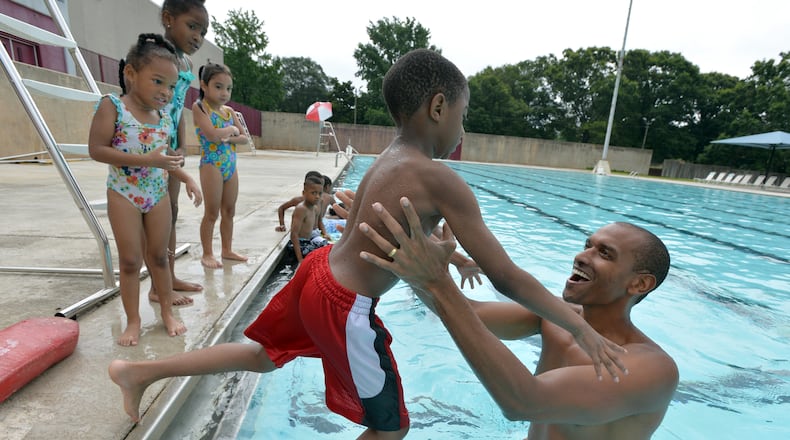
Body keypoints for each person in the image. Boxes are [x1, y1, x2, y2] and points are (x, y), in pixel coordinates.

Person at [108, 49, 623, 437]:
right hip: (345, 305)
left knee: (263, 356)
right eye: (463, 114)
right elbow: (507, 276)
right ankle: (139, 374)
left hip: (317, 273)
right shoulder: (439, 178)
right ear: (438, 106)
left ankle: (140, 372)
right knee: (392, 427)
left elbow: (394, 233)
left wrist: (453, 258)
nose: (463, 128)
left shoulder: (388, 159)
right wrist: (579, 325)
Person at [358, 197, 679, 440]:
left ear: (639, 284)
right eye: (587, 246)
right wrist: (401, 250)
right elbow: (466, 313)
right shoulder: (556, 318)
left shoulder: (652, 370)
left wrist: (436, 282)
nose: (582, 256)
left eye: (604, 253)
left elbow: (524, 402)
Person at [89, 34, 193, 346]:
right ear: (131, 73)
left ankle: (167, 313)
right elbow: (97, 149)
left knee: (160, 257)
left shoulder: (163, 117)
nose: (165, 92)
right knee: (131, 261)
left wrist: (187, 178)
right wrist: (147, 160)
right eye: (158, 81)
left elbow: (166, 160)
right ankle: (133, 321)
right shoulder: (113, 107)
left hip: (157, 195)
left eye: (171, 86)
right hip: (124, 193)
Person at [147, 0, 210, 301]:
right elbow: (146, 105)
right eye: (192, 27)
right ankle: (157, 287)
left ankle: (168, 277)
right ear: (168, 19)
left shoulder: (185, 64)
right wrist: (156, 145)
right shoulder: (156, 57)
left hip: (170, 146)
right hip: (151, 148)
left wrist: (182, 144)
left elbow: (179, 111)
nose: (198, 37)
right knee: (156, 218)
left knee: (171, 212)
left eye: (203, 31)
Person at [193, 62, 249, 268]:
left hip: (230, 165)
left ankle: (227, 249)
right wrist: (231, 131)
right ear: (204, 85)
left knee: (229, 211)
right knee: (211, 212)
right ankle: (207, 253)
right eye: (218, 87)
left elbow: (244, 138)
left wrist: (228, 135)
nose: (224, 93)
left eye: (228, 88)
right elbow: (211, 135)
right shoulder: (200, 108)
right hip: (211, 165)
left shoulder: (229, 111)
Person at [285, 175, 329, 265]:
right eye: (313, 193)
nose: (317, 196)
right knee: (323, 255)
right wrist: (300, 259)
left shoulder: (315, 208)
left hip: (308, 241)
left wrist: (325, 234)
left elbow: (319, 222)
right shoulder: (301, 209)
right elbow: (294, 234)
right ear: (304, 193)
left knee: (329, 249)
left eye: (320, 193)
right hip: (299, 245)